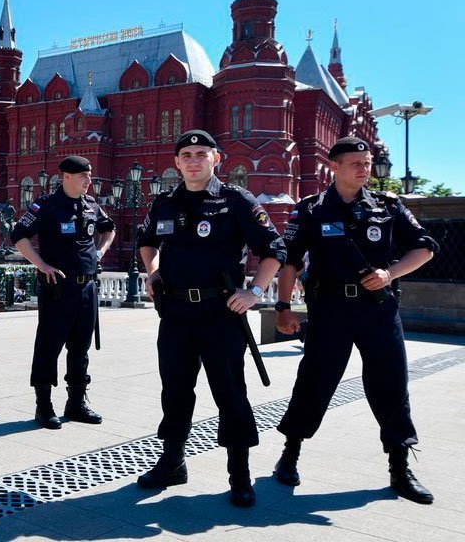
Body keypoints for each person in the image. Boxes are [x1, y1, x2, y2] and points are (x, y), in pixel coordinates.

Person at [273, 136, 439, 505]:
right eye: (356, 163)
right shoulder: (310, 209)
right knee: (314, 382)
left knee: (391, 385)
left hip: (378, 310)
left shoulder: (387, 206)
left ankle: (400, 467)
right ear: (334, 167)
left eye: (367, 163)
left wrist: (389, 274)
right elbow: (290, 261)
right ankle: (290, 453)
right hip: (329, 309)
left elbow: (425, 247)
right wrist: (283, 307)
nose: (364, 169)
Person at [135, 130, 285, 507]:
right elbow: (147, 241)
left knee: (230, 392)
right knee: (175, 389)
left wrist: (254, 292)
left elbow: (274, 250)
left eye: (201, 154)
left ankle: (239, 474)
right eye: (186, 155)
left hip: (222, 313)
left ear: (216, 158)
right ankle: (172, 462)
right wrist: (153, 271)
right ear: (176, 162)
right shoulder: (165, 202)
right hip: (176, 313)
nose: (193, 161)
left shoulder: (236, 200)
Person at [11, 155, 116, 430]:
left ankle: (77, 402)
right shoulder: (46, 205)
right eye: (83, 176)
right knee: (49, 346)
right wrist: (41, 264)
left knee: (81, 347)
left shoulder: (91, 204)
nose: (89, 180)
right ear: (66, 177)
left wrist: (99, 253)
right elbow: (19, 234)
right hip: (58, 288)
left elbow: (109, 230)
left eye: (89, 175)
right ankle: (43, 405)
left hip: (87, 287)